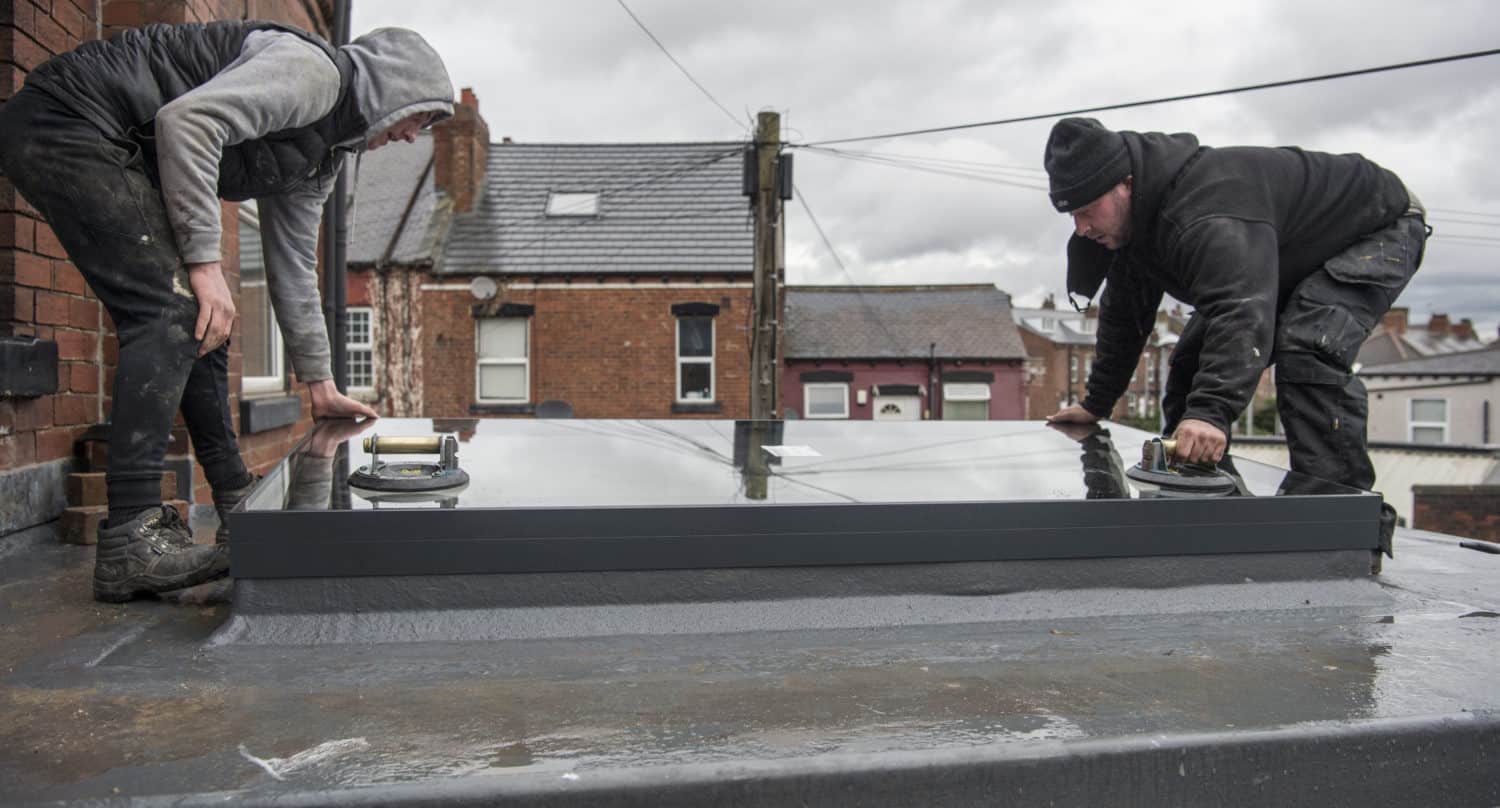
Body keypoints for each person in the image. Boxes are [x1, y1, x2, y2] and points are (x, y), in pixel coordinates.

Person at [0, 21, 454, 602]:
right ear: (396, 90)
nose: (415, 135)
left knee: (204, 323)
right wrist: (205, 262)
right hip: (68, 121)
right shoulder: (314, 74)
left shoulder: (322, 161)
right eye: (422, 116)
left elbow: (293, 266)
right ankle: (131, 537)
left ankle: (235, 496)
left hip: (114, 147)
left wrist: (319, 384)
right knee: (174, 307)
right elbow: (187, 121)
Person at [1040, 118, 1427, 503]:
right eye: (1072, 215)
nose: (1082, 228)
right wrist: (1097, 402)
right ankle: (1204, 501)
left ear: (1125, 183)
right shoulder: (1134, 227)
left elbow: (1240, 310)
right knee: (1191, 365)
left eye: (1088, 209)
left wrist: (1211, 414)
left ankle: (1335, 520)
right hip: (1290, 247)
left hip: (1376, 228)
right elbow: (1126, 316)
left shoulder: (1207, 212)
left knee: (1309, 346)